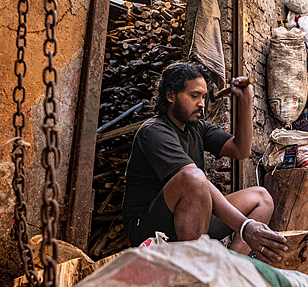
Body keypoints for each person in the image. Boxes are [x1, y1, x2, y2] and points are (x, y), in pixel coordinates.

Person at [122, 61, 288, 264]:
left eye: (203, 96)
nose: (202, 103)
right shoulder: (154, 131)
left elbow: (241, 150)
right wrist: (245, 226)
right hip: (151, 229)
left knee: (262, 198)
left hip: (192, 219)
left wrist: (246, 101)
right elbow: (193, 180)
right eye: (194, 96)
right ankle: (196, 272)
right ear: (171, 95)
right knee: (193, 178)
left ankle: (231, 267)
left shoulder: (196, 129)